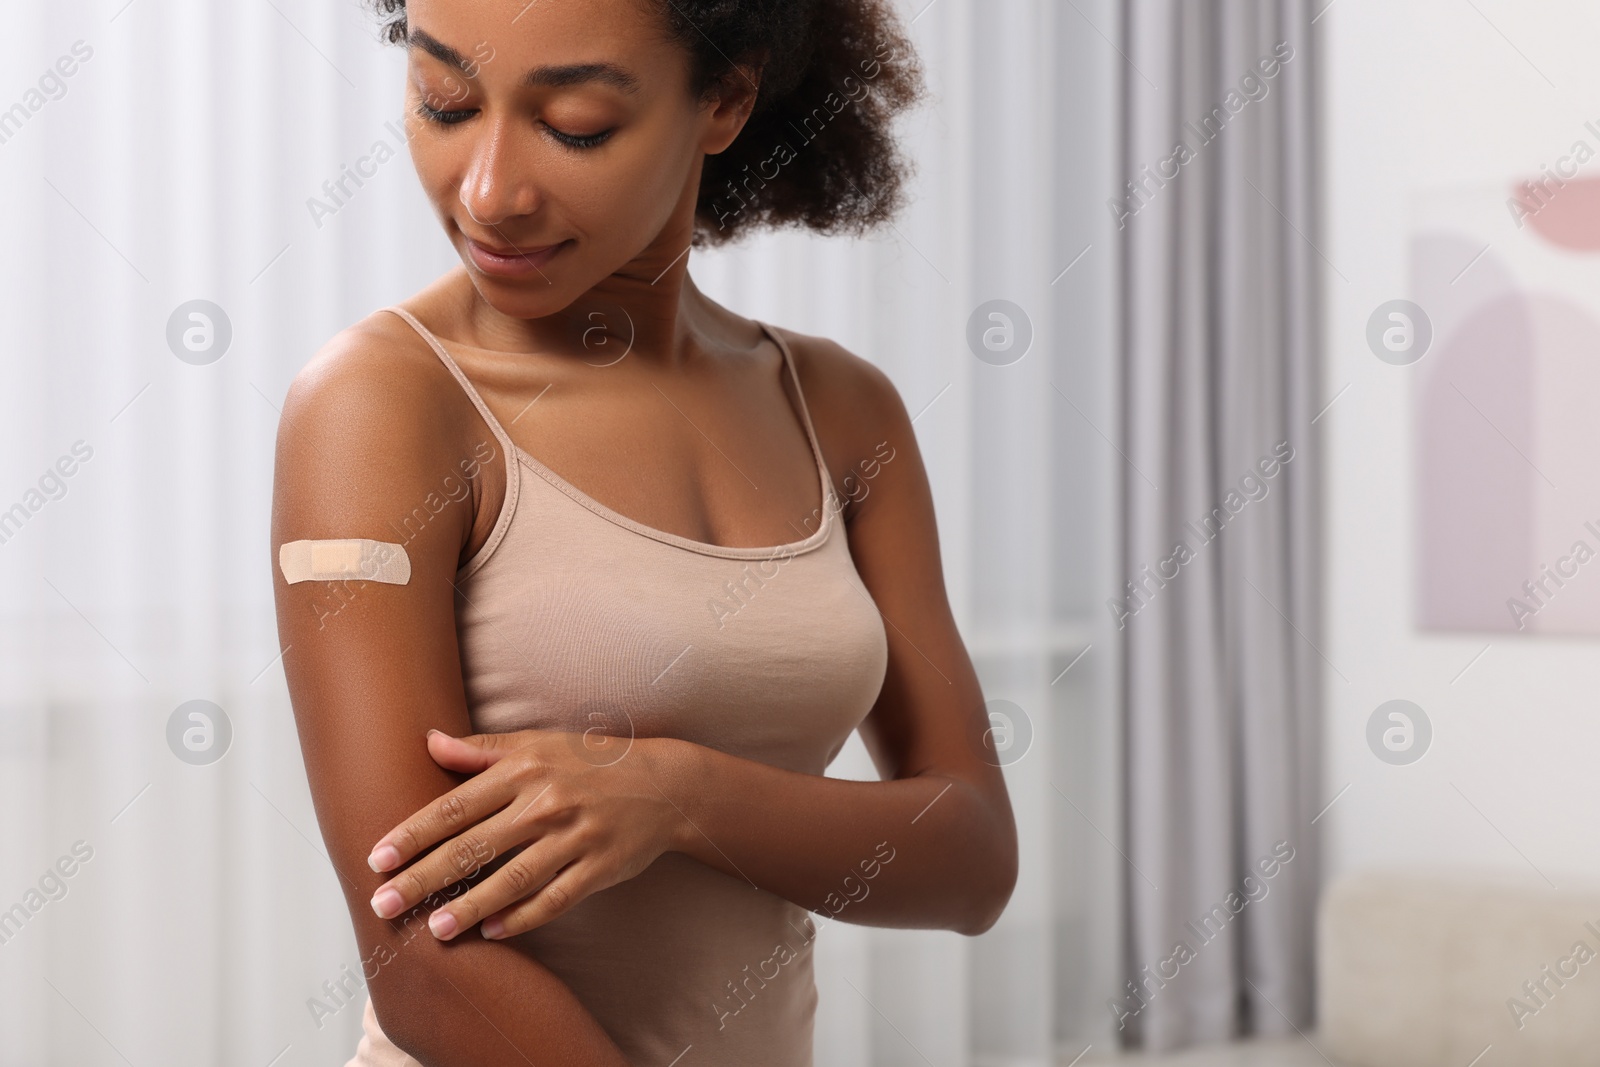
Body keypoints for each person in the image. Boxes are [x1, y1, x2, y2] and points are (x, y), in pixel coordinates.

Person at [270, 0, 1017, 1062]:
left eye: (573, 123)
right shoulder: (381, 407)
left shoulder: (843, 412)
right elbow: (423, 961)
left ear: (724, 98)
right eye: (444, 101)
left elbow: (973, 856)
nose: (487, 192)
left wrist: (678, 793)